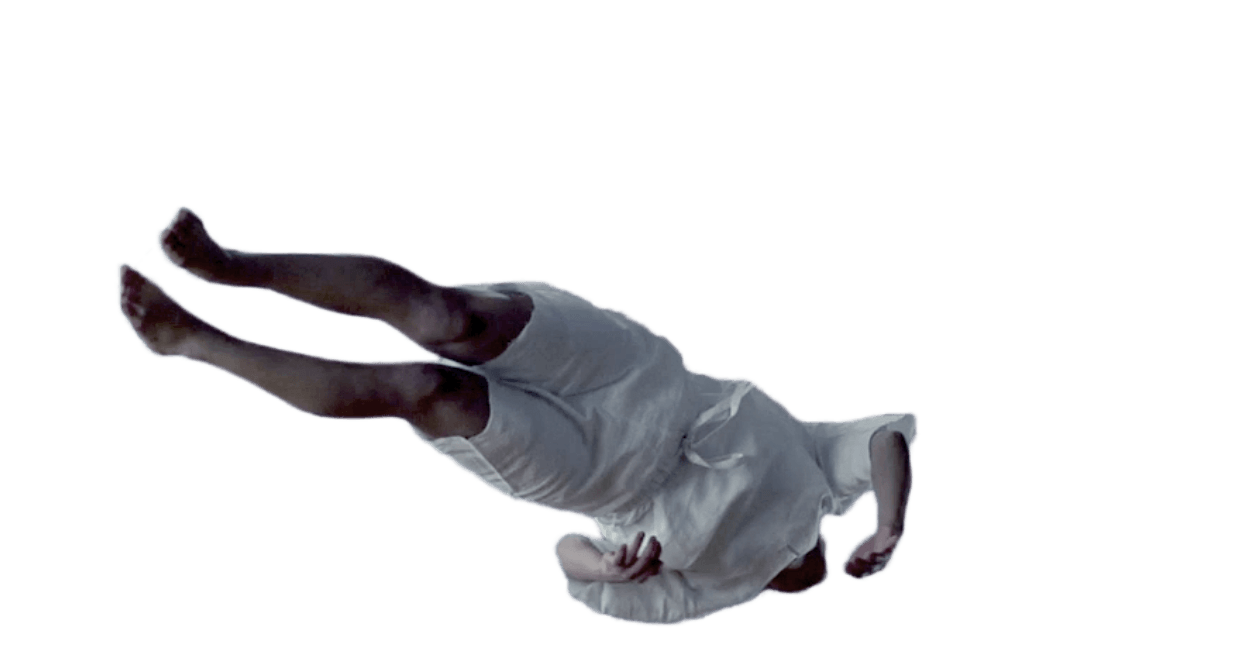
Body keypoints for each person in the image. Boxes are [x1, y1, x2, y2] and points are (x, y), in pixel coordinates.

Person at [114, 207, 919, 626]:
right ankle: (232, 265)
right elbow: (886, 439)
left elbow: (567, 561)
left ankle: (194, 341)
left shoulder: (713, 593)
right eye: (814, 564)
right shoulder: (822, 470)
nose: (804, 575)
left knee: (424, 391)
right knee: (450, 318)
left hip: (597, 480)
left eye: (795, 583)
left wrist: (607, 568)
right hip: (645, 380)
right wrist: (889, 526)